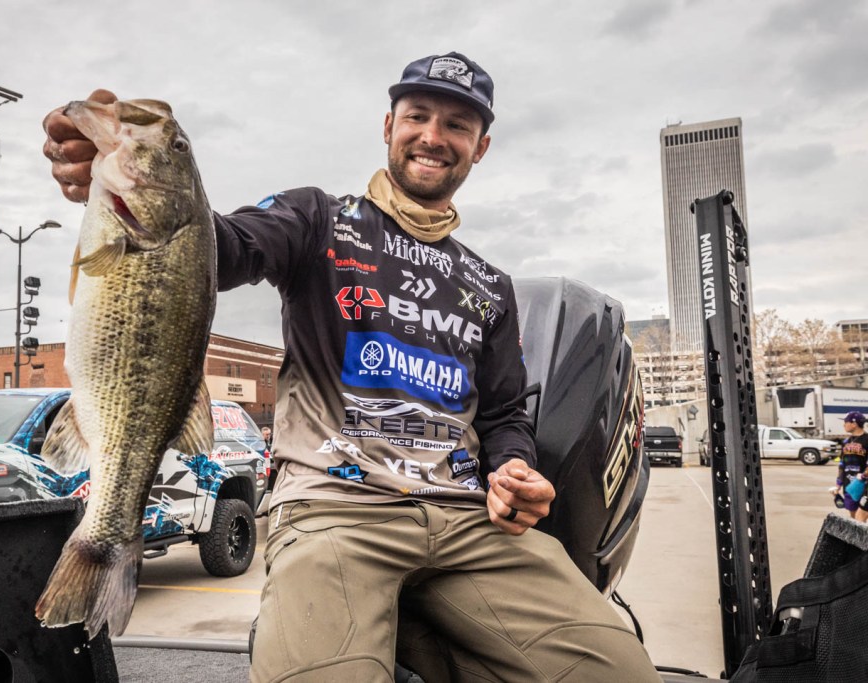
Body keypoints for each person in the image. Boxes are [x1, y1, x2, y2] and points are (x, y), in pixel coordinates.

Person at [44, 51, 659, 682]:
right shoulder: (317, 220)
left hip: (466, 522)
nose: (433, 135)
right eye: (417, 116)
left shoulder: (490, 285)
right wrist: (116, 184)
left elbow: (503, 414)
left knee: (621, 674)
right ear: (388, 126)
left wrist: (513, 468)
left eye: (457, 125)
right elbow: (219, 248)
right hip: (333, 509)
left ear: (480, 147)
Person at [836, 411, 868, 520]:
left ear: (854, 424)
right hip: (849, 485)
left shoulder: (867, 440)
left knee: (862, 515)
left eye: (846, 422)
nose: (843, 425)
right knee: (854, 518)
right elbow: (842, 464)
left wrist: (863, 476)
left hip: (864, 485)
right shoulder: (846, 441)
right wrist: (838, 483)